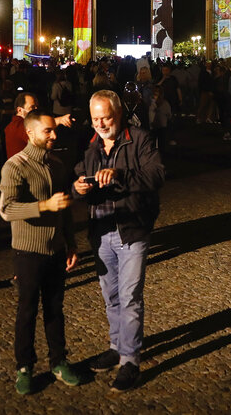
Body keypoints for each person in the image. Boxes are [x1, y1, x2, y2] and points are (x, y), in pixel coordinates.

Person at [73, 90, 164, 392]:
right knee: (110, 296)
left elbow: (156, 176)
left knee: (130, 297)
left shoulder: (139, 138)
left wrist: (120, 176)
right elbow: (79, 177)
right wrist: (78, 188)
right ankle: (116, 345)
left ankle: (130, 360)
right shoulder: (91, 145)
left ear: (119, 114)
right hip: (100, 231)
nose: (100, 123)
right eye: (95, 118)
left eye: (106, 117)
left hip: (131, 229)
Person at [0, 110, 80, 394]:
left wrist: (71, 243)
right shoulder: (14, 166)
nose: (54, 135)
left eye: (54, 130)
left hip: (55, 249)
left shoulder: (57, 163)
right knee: (27, 311)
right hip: (28, 252)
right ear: (30, 133)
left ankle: (59, 360)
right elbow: (7, 210)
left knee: (55, 309)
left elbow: (65, 208)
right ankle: (25, 366)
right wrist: (44, 206)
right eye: (48, 131)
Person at [4, 92, 71, 159]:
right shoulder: (18, 125)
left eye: (37, 107)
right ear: (20, 110)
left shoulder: (15, 125)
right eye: (32, 108)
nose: (36, 111)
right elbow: (38, 130)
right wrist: (59, 120)